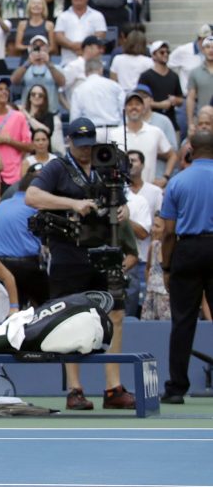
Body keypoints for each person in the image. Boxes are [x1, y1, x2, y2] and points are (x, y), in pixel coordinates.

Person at [25, 117, 137, 411]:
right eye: (80, 144)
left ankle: (113, 388)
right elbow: (32, 196)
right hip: (69, 252)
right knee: (71, 318)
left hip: (105, 248)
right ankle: (75, 389)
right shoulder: (57, 168)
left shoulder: (106, 163)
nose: (86, 151)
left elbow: (121, 196)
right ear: (70, 141)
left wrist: (123, 208)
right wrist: (73, 204)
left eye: (89, 145)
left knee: (116, 314)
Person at [158, 130, 213, 402]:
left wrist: (166, 267)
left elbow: (168, 231)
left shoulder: (178, 181)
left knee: (183, 321)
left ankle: (176, 388)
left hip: (188, 249)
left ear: (191, 149)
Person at [0, 166, 48, 308]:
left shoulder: (2, 205)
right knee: (46, 306)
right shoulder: (37, 206)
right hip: (28, 266)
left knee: (10, 308)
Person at [107, 91, 175, 187]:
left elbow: (172, 155)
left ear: (143, 108)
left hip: (149, 188)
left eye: (137, 104)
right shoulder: (114, 134)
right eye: (130, 104)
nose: (134, 107)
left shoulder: (155, 131)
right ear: (125, 109)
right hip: (123, 190)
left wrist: (165, 178)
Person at [70, 58, 126, 141]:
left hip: (91, 132)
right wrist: (122, 129)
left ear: (85, 72)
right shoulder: (115, 86)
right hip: (115, 130)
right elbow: (123, 109)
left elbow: (75, 117)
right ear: (101, 69)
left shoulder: (79, 90)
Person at [55, 0, 107, 65]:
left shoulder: (97, 15)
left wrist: (83, 48)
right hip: (68, 62)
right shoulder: (62, 16)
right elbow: (58, 36)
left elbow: (100, 35)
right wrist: (73, 46)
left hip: (91, 63)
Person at [138, 41, 183, 133]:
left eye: (167, 52)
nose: (165, 54)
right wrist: (160, 105)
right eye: (162, 52)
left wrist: (175, 100)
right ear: (153, 55)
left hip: (171, 122)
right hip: (150, 123)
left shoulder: (174, 76)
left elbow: (181, 99)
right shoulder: (145, 76)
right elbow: (139, 100)